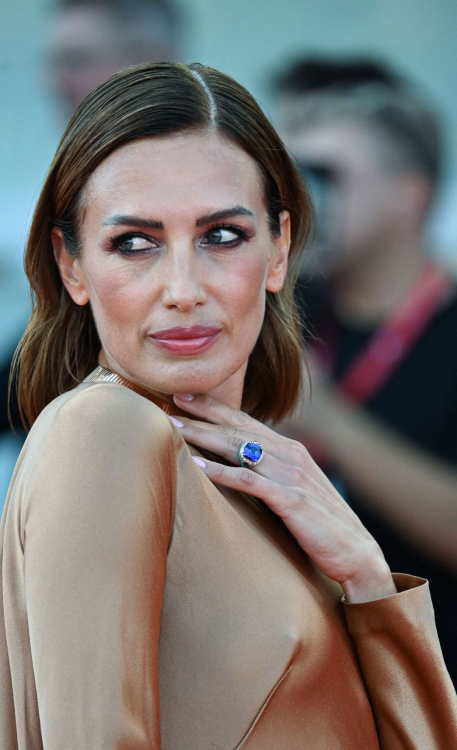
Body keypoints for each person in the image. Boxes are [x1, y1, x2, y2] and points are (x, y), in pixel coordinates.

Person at [0, 61, 457, 750]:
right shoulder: (104, 430)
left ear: (279, 249)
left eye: (222, 236)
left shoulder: (267, 486)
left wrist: (364, 572)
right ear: (72, 266)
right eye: (135, 243)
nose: (183, 287)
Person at [272, 57, 457, 683]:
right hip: (304, 688)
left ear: (410, 195)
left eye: (325, 175)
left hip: (433, 689)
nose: (304, 199)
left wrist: (329, 421)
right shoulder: (283, 310)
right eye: (293, 177)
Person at [0, 0, 183, 460]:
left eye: (76, 60)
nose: (53, 81)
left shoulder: (168, 186)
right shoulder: (96, 179)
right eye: (54, 61)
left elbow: (63, 351)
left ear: (149, 60)